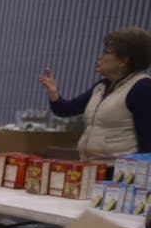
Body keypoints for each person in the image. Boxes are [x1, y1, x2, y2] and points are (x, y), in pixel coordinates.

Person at [38, 27, 151, 160]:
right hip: (91, 165)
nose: (99, 57)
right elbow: (66, 110)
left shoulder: (142, 88)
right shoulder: (102, 86)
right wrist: (53, 93)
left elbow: (147, 139)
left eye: (106, 52)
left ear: (123, 60)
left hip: (118, 172)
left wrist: (141, 176)